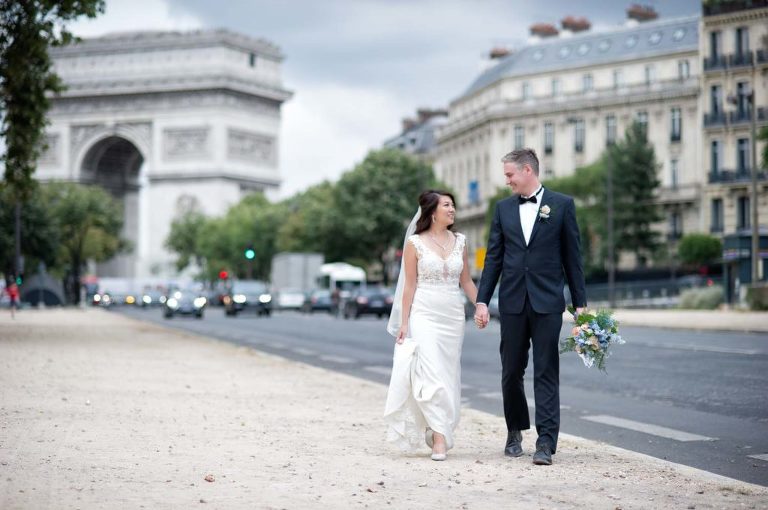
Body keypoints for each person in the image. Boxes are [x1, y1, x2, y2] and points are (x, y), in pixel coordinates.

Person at [475, 148, 586, 466]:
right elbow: (494, 257)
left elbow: (572, 260)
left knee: (546, 371)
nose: (507, 181)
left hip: (548, 302)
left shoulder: (562, 205)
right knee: (511, 371)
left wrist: (581, 307)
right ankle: (514, 432)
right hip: (511, 302)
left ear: (527, 170)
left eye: (509, 175)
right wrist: (483, 299)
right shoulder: (502, 209)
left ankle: (546, 442)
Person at [384, 190, 478, 461]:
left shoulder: (460, 241)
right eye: (447, 205)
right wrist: (404, 323)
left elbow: (467, 282)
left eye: (453, 205)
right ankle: (439, 438)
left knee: (448, 375)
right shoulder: (415, 244)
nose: (452, 209)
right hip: (424, 313)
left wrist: (481, 305)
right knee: (431, 373)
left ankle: (440, 425)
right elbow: (409, 286)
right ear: (432, 212)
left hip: (452, 314)